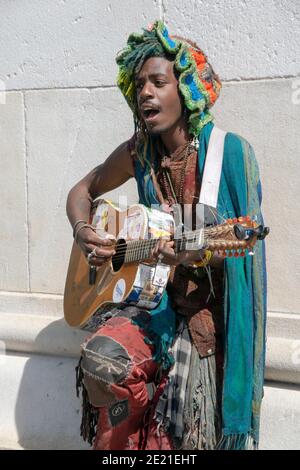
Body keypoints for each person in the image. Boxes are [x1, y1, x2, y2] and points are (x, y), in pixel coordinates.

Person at [66, 20, 267, 450]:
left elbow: (237, 252)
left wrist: (193, 253)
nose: (145, 93)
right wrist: (84, 231)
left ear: (187, 90)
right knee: (102, 360)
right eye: (139, 84)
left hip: (203, 314)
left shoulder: (227, 155)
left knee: (180, 433)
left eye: (158, 81)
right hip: (152, 304)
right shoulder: (138, 153)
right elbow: (82, 191)